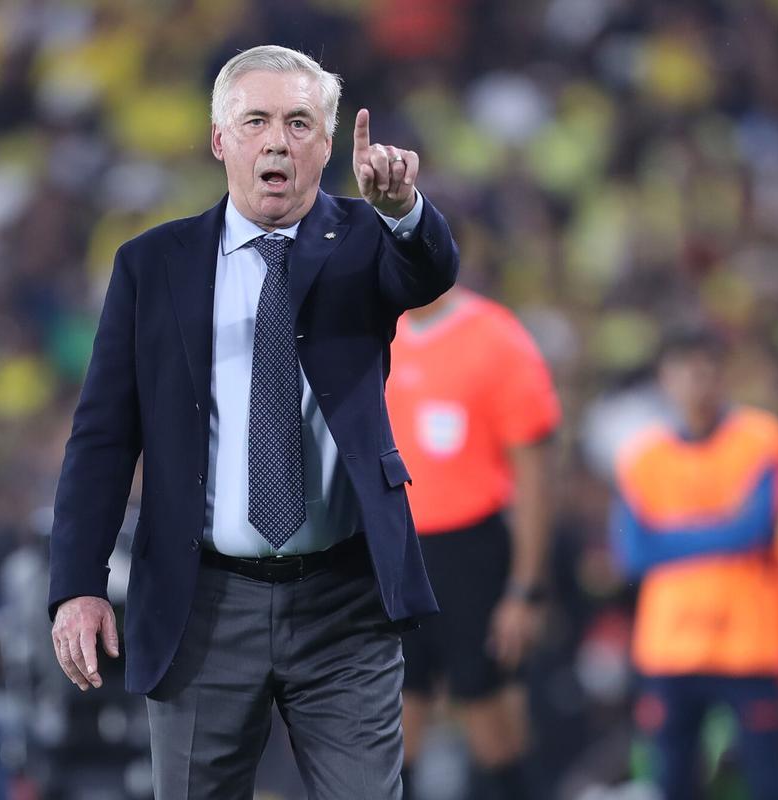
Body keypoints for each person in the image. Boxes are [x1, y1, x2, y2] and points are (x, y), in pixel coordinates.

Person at [48, 44, 458, 799]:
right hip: (201, 602)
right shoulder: (152, 265)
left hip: (345, 604)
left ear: (328, 146)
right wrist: (78, 582)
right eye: (258, 120)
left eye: (301, 123)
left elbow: (427, 271)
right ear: (219, 139)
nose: (278, 140)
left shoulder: (366, 242)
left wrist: (401, 211)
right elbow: (104, 437)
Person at [611, 327, 778, 800]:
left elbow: (757, 531)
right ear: (665, 379)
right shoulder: (642, 456)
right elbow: (634, 554)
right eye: (685, 371)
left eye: (707, 370)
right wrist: (723, 529)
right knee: (672, 782)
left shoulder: (765, 441)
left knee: (768, 781)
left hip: (751, 644)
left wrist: (671, 537)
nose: (697, 382)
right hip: (671, 645)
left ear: (723, 377)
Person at [387, 286, 560, 799]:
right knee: (392, 729)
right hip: (392, 552)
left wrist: (526, 589)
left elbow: (535, 474)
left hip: (471, 553)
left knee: (492, 724)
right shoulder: (373, 328)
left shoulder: (496, 338)